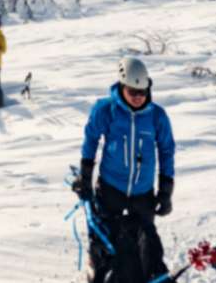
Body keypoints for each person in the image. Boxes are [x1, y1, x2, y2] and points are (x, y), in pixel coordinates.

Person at [73, 57, 175, 283]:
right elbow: (91, 140)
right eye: (133, 92)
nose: (139, 97)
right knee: (106, 248)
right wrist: (85, 177)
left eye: (143, 91)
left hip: (143, 195)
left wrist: (166, 191)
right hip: (111, 191)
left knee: (149, 248)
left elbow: (167, 150)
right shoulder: (106, 110)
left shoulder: (157, 116)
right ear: (121, 86)